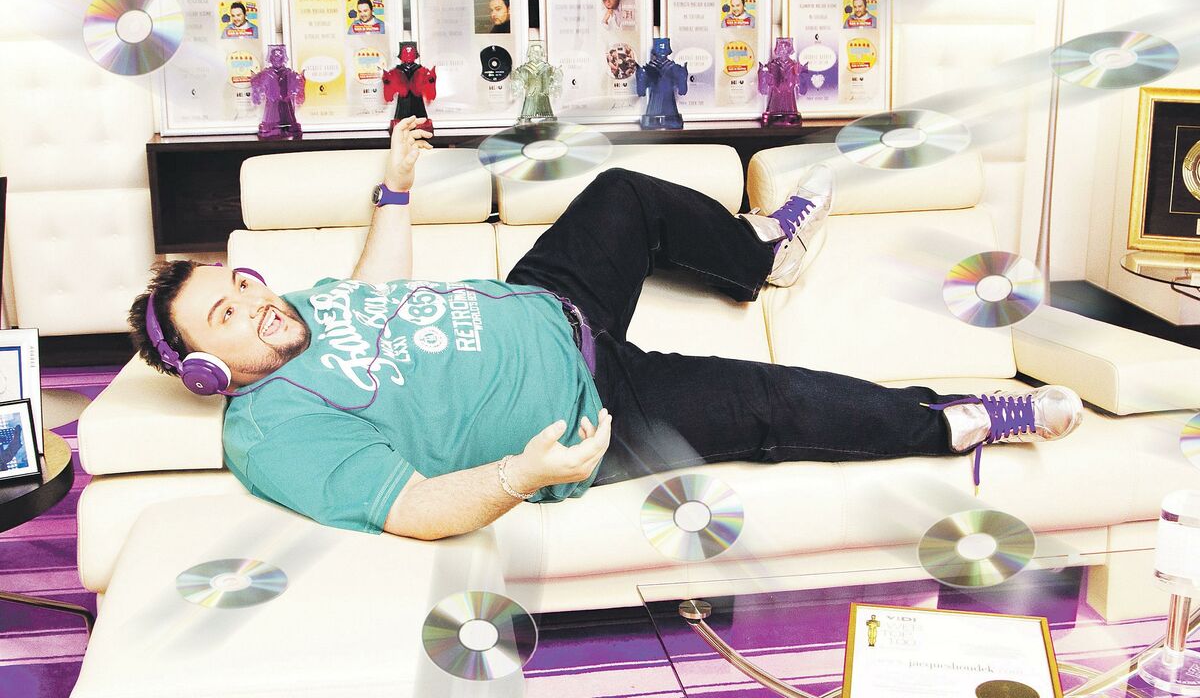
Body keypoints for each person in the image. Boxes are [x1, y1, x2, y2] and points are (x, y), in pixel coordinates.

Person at [127, 119, 1085, 541]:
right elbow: (412, 508)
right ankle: (958, 419)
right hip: (592, 405)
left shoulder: (302, 308)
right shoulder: (276, 432)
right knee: (772, 402)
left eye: (241, 281)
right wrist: (523, 475)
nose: (255, 299)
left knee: (622, 193)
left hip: (552, 301)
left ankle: (763, 258)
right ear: (208, 372)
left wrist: (397, 187)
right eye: (227, 312)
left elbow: (376, 287)